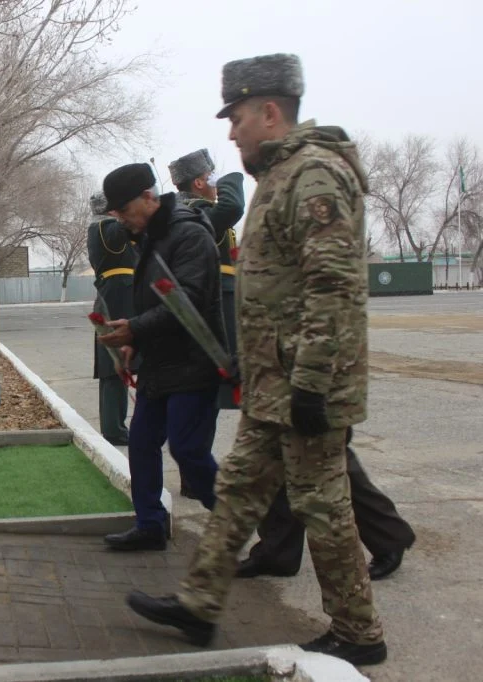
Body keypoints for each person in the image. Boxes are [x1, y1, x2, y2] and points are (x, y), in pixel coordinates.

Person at [124, 53, 388, 666]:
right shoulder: (283, 174)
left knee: (322, 507)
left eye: (237, 116)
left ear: (270, 112)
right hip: (279, 380)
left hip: (306, 386)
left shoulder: (314, 174)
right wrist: (256, 359)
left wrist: (313, 382)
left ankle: (359, 632)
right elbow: (281, 288)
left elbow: (333, 284)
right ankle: (199, 605)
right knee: (239, 488)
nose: (230, 131)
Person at [96, 162, 225, 552]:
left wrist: (136, 329)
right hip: (159, 363)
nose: (119, 219)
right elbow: (159, 298)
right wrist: (138, 340)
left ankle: (234, 518)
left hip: (194, 362)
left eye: (122, 210)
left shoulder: (189, 234)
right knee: (141, 443)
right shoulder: (152, 235)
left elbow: (187, 302)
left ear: (149, 198)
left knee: (188, 452)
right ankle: (150, 524)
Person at [237, 426, 415, 581]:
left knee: (325, 453)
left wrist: (311, 396)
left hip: (310, 393)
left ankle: (388, 537)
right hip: (273, 393)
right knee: (277, 453)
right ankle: (278, 552)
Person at [169, 149, 246, 500]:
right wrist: (232, 178)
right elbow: (232, 207)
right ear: (200, 182)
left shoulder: (195, 210)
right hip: (212, 313)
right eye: (211, 177)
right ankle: (196, 476)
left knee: (209, 397)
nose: (216, 183)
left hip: (221, 308)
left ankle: (194, 474)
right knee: (204, 395)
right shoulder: (195, 210)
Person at [87, 191, 138, 446]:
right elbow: (124, 231)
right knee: (115, 367)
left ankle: (116, 427)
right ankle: (114, 430)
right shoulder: (104, 227)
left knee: (119, 367)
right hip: (117, 299)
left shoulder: (104, 228)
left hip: (119, 296)